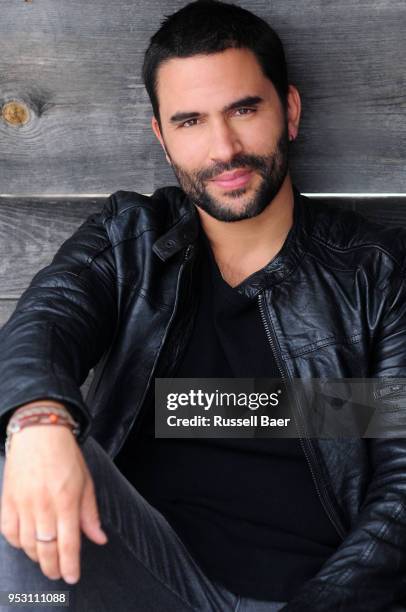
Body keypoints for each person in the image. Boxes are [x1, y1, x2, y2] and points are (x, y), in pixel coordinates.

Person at [0, 1, 406, 610]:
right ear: (162, 137)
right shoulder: (130, 239)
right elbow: (47, 321)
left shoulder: (374, 270)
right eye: (191, 122)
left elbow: (400, 487)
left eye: (244, 110)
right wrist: (38, 422)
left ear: (289, 110)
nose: (224, 148)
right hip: (135, 578)